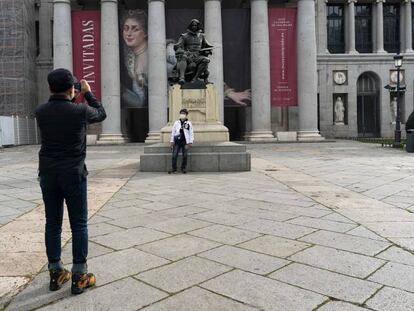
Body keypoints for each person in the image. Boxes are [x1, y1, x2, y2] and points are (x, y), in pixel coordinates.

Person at [35, 68, 106, 295]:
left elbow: (60, 107)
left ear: (49, 87)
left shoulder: (41, 111)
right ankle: (79, 275)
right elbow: (101, 113)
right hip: (73, 174)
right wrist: (88, 93)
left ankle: (56, 272)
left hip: (48, 174)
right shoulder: (80, 110)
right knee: (79, 224)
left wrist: (73, 94)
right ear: (71, 88)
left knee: (52, 223)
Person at [121, 9, 148, 108]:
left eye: (135, 29)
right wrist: (122, 90)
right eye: (126, 28)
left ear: (145, 33)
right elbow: (139, 102)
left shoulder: (166, 50)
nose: (128, 34)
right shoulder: (131, 62)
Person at [169, 109, 194, 174]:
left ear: (186, 115)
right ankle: (174, 169)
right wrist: (172, 141)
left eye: (183, 113)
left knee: (185, 155)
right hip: (177, 142)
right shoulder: (176, 123)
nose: (182, 115)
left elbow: (191, 133)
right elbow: (173, 132)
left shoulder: (188, 123)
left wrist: (190, 142)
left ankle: (183, 168)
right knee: (174, 155)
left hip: (185, 142)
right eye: (181, 113)